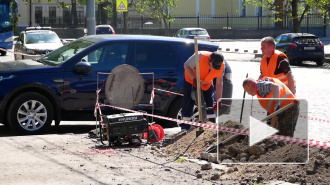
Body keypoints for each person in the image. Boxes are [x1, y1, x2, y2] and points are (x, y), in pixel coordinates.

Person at [181, 51, 225, 130]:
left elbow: (219, 83)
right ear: (210, 59)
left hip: (206, 83)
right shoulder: (200, 56)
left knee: (210, 104)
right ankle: (185, 127)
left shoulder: (221, 65)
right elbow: (186, 66)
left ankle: (211, 127)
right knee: (188, 103)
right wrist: (193, 79)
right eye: (213, 65)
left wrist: (219, 100)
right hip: (191, 81)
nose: (213, 68)